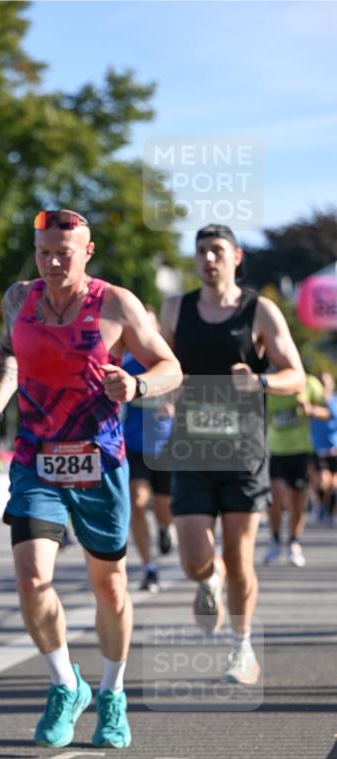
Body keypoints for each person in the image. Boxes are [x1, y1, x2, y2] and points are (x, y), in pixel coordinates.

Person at [0, 208, 182, 749]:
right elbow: (6, 354)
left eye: (62, 253)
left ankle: (112, 692)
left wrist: (135, 388)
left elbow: (169, 366)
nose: (51, 262)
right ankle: (66, 684)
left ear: (87, 252)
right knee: (29, 577)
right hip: (35, 457)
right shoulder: (20, 297)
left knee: (108, 586)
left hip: (100, 460)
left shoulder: (115, 303)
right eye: (43, 252)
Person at [160, 224, 305, 686]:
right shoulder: (175, 309)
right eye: (201, 251)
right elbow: (155, 361)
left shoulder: (258, 310)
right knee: (192, 557)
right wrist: (161, 389)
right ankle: (207, 581)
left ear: (236, 257)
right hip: (190, 447)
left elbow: (296, 375)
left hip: (244, 450)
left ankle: (241, 648)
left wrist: (261, 381)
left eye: (217, 251)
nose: (209, 259)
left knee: (240, 557)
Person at [121, 306, 174, 593]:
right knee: (138, 502)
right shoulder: (127, 365)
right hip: (135, 445)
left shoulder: (170, 364)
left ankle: (166, 529)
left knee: (164, 508)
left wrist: (174, 406)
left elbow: (187, 391)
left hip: (166, 447)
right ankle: (148, 567)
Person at [264, 372, 329, 566]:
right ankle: (275, 540)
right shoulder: (267, 382)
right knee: (274, 498)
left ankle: (293, 541)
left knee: (296, 500)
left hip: (301, 450)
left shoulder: (309, 382)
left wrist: (311, 410)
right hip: (275, 450)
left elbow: (326, 412)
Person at [310, 371, 337, 525]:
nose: (323, 386)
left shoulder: (335, 402)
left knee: (334, 485)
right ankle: (320, 504)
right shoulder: (311, 402)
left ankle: (330, 512)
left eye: (326, 383)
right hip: (318, 448)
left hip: (335, 448)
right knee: (323, 481)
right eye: (320, 383)